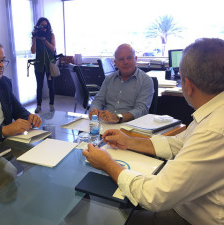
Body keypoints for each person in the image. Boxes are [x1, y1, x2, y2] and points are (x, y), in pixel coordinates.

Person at [82, 38, 224, 225]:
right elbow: (178, 143)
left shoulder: (214, 130)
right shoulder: (212, 114)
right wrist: (129, 141)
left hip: (193, 216)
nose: (125, 62)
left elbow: (155, 195)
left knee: (107, 218)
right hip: (187, 202)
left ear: (187, 85)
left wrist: (107, 163)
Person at [89, 44, 154, 123]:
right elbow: (98, 100)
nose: (125, 62)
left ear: (135, 59)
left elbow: (141, 109)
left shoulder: (146, 80)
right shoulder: (109, 79)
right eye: (121, 59)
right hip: (107, 123)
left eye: (129, 58)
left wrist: (118, 117)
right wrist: (94, 110)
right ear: (115, 62)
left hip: (130, 126)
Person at [31, 17, 56, 113]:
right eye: (41, 25)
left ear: (48, 26)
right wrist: (34, 38)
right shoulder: (36, 36)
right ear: (38, 26)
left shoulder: (51, 35)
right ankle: (38, 105)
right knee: (39, 86)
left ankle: (51, 105)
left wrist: (44, 40)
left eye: (45, 26)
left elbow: (53, 49)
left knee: (51, 86)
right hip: (39, 64)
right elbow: (33, 51)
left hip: (50, 64)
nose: (43, 28)